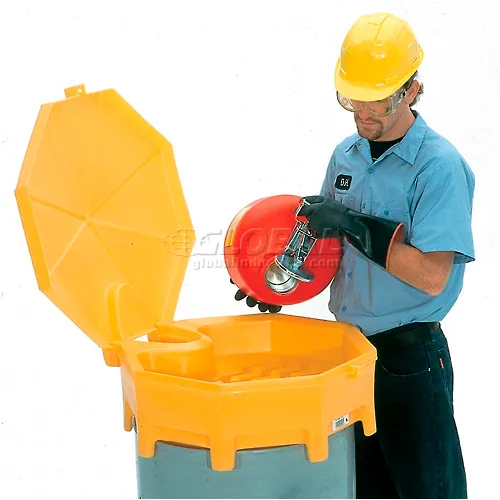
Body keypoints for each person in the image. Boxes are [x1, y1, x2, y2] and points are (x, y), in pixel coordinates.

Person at [233, 11, 474, 499]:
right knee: (361, 489)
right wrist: (280, 282)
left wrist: (353, 223)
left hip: (410, 356)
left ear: (411, 90)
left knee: (428, 490)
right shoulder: (346, 154)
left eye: (377, 101)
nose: (363, 114)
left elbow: (432, 275)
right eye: (352, 99)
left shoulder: (439, 167)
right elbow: (327, 247)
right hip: (348, 356)